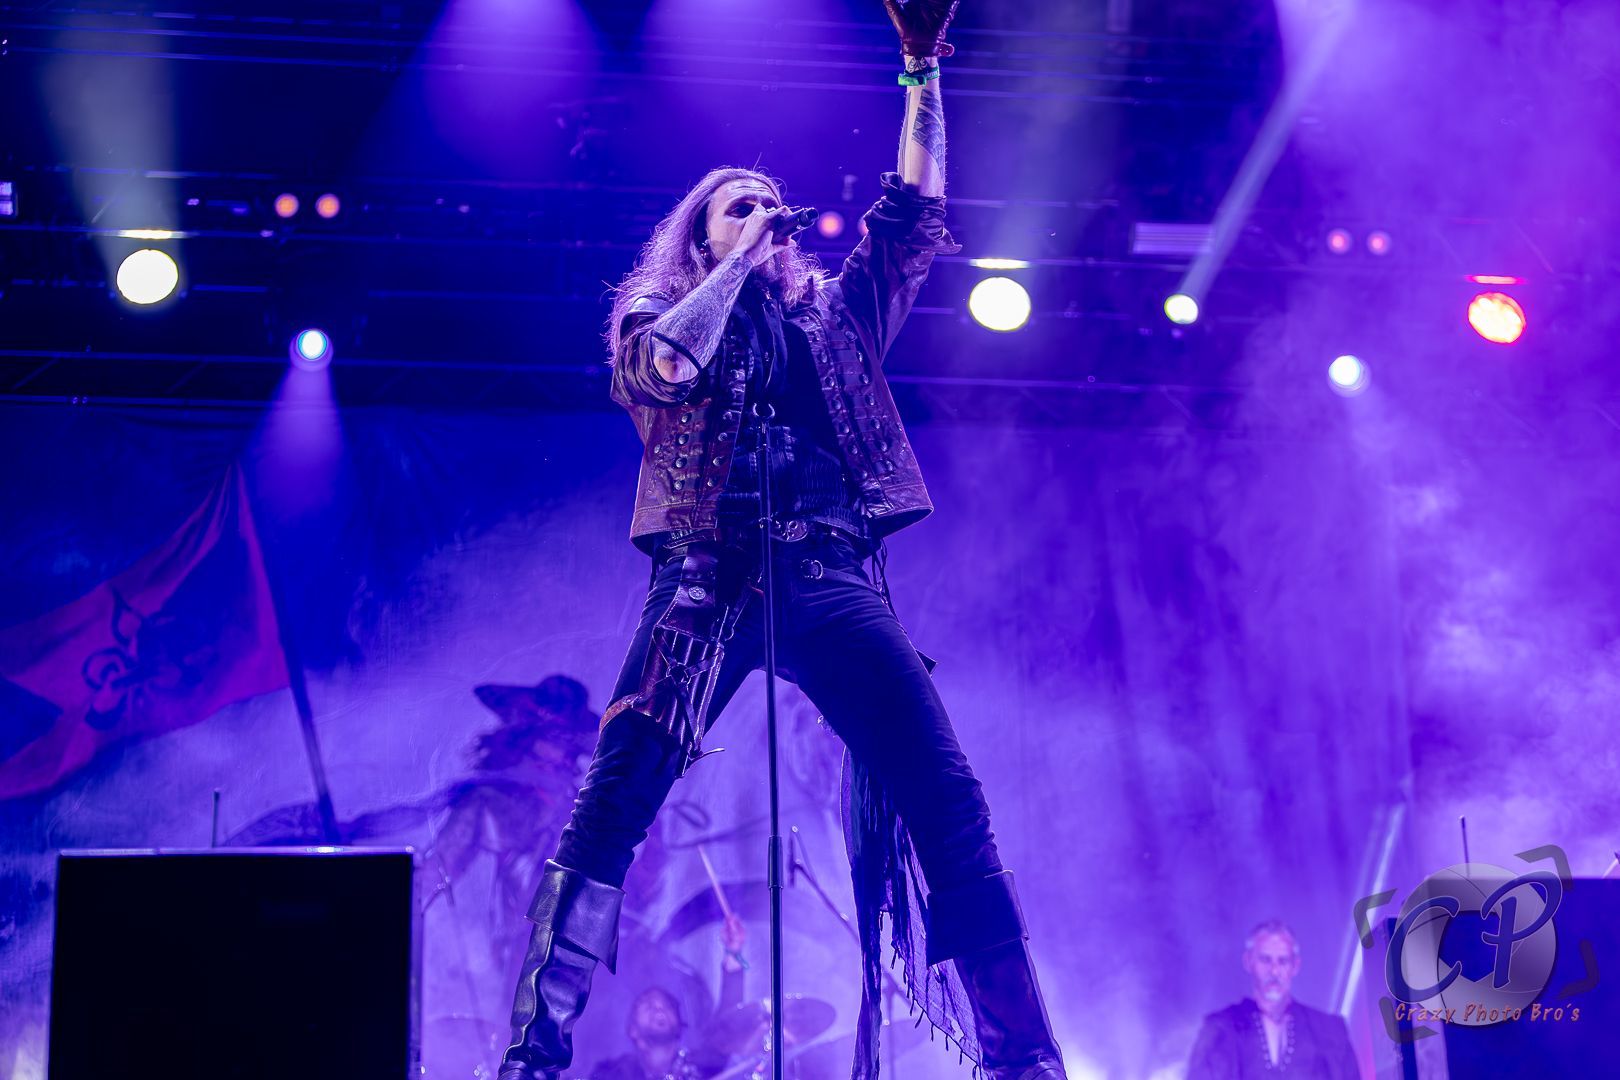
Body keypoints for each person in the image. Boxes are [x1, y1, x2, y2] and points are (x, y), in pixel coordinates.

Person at [496, 3, 1067, 1078]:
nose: (766, 214)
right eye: (739, 207)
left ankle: (1023, 1056)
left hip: (830, 573)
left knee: (947, 798)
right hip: (707, 582)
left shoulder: (836, 318)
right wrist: (732, 267)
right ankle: (533, 1052)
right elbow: (668, 369)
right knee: (615, 798)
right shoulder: (659, 314)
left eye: (772, 204)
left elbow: (914, 216)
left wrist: (920, 71)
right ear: (702, 237)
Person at [1185, 921, 1361, 1080]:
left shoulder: (1330, 1031)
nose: (1274, 971)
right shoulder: (1220, 1029)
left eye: (1283, 961)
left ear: (1295, 966)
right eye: (1265, 960)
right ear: (1248, 962)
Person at [587, 916, 749, 1080]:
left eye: (667, 1005)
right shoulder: (613, 1074)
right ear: (632, 1030)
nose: (658, 1007)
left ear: (680, 1026)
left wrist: (734, 953)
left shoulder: (702, 1064)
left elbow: (729, 1026)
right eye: (646, 1004)